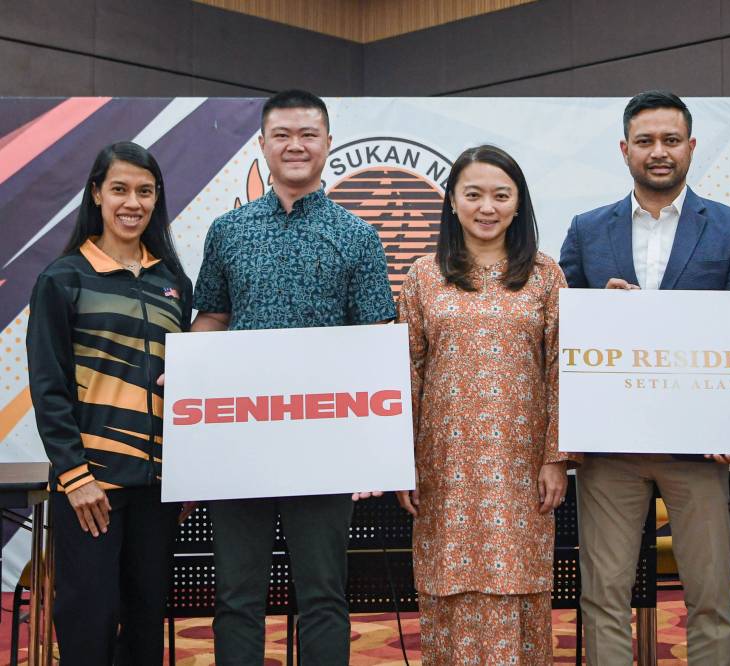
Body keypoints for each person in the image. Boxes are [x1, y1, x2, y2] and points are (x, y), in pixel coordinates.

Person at [191, 90, 396, 664]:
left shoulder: (357, 235)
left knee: (324, 596)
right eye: (282, 134)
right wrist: (190, 382)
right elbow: (212, 318)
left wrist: (372, 450)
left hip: (324, 446)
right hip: (240, 443)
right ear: (262, 144)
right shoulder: (227, 230)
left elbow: (376, 339)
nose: (295, 145)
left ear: (328, 143)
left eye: (308, 133)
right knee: (236, 596)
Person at [559, 90, 730, 666]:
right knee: (603, 597)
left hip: (699, 448)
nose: (659, 152)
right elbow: (560, 320)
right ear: (624, 150)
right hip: (611, 447)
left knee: (711, 598)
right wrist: (598, 304)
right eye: (645, 141)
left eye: (671, 140)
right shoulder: (587, 228)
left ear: (691, 147)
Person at [395, 144, 580, 664]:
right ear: (452, 201)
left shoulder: (546, 276)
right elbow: (406, 372)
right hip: (443, 466)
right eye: (473, 194)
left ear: (518, 204)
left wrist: (556, 458)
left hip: (522, 468)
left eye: (501, 195)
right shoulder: (422, 276)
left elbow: (560, 370)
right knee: (447, 584)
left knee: (517, 583)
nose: (487, 207)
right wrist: (399, 461)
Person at [26, 141, 192, 665]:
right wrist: (75, 477)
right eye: (119, 189)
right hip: (91, 491)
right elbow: (48, 387)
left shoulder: (173, 284)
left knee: (145, 627)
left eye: (144, 191)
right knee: (87, 627)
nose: (132, 202)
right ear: (96, 193)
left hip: (156, 490)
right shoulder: (63, 278)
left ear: (156, 198)